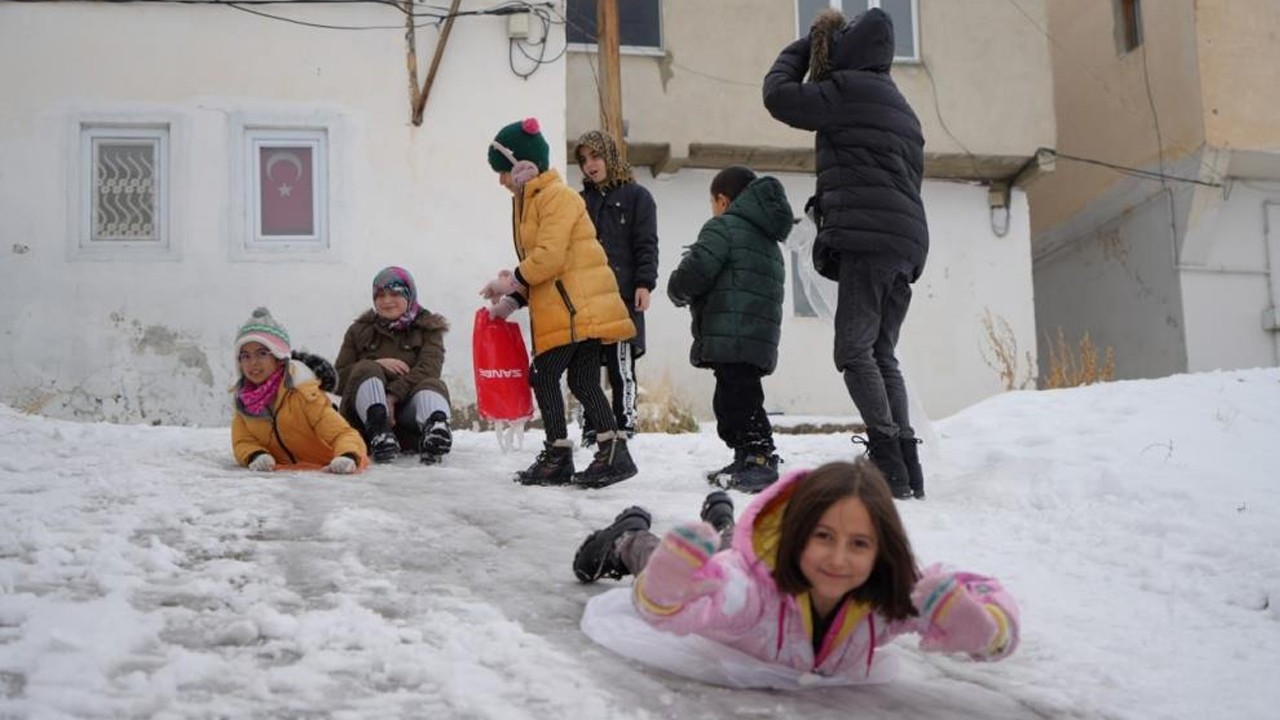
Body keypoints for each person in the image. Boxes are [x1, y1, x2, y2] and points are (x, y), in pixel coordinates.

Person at [572, 459, 1019, 685]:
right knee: (678, 561)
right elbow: (676, 605)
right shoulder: (745, 593)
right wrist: (666, 587)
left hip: (762, 558)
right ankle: (626, 538)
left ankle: (724, 520)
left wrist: (987, 628)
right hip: (744, 571)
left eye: (859, 544)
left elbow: (973, 591)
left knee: (724, 543)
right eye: (823, 536)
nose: (839, 559)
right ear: (797, 532)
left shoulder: (886, 599)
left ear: (881, 550)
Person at [763, 8, 928, 500]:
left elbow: (778, 96)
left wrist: (809, 43)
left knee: (854, 351)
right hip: (906, 244)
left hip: (868, 241)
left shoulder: (848, 90)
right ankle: (907, 466)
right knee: (881, 352)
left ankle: (887, 460)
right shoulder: (902, 106)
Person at [482, 117, 638, 488]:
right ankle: (612, 452)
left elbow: (549, 259)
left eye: (502, 171)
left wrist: (510, 281)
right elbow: (544, 268)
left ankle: (558, 454)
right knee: (583, 380)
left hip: (577, 308)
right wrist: (513, 300)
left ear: (523, 167)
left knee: (543, 374)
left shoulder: (557, 198)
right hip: (569, 307)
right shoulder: (531, 202)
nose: (501, 181)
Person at [666, 165, 791, 493]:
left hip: (732, 331)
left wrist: (677, 289)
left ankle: (759, 457)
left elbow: (697, 270)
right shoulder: (768, 239)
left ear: (722, 200)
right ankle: (745, 457)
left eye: (713, 202)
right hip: (756, 334)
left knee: (737, 400)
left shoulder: (723, 227)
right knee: (737, 396)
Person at [573, 130, 660, 445]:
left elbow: (646, 244)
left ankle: (625, 425)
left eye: (596, 156)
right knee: (585, 366)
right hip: (586, 297)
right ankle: (592, 426)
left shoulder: (638, 197)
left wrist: (644, 284)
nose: (590, 165)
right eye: (583, 160)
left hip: (621, 294)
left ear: (609, 156)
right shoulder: (580, 202)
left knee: (620, 363)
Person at [335, 266, 454, 465]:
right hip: (365, 426)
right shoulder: (358, 330)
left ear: (409, 294)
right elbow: (337, 379)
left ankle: (436, 430)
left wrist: (392, 395)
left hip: (407, 418)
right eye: (380, 295)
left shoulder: (428, 328)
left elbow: (429, 369)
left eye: (395, 293)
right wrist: (376, 364)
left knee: (433, 384)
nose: (387, 301)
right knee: (367, 369)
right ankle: (379, 430)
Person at [231, 306, 367, 474]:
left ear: (279, 357)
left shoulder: (304, 394)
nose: (253, 363)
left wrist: (347, 456)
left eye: (262, 353)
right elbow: (242, 441)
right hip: (285, 478)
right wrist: (256, 455)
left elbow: (344, 434)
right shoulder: (244, 402)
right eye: (246, 356)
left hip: (328, 474)